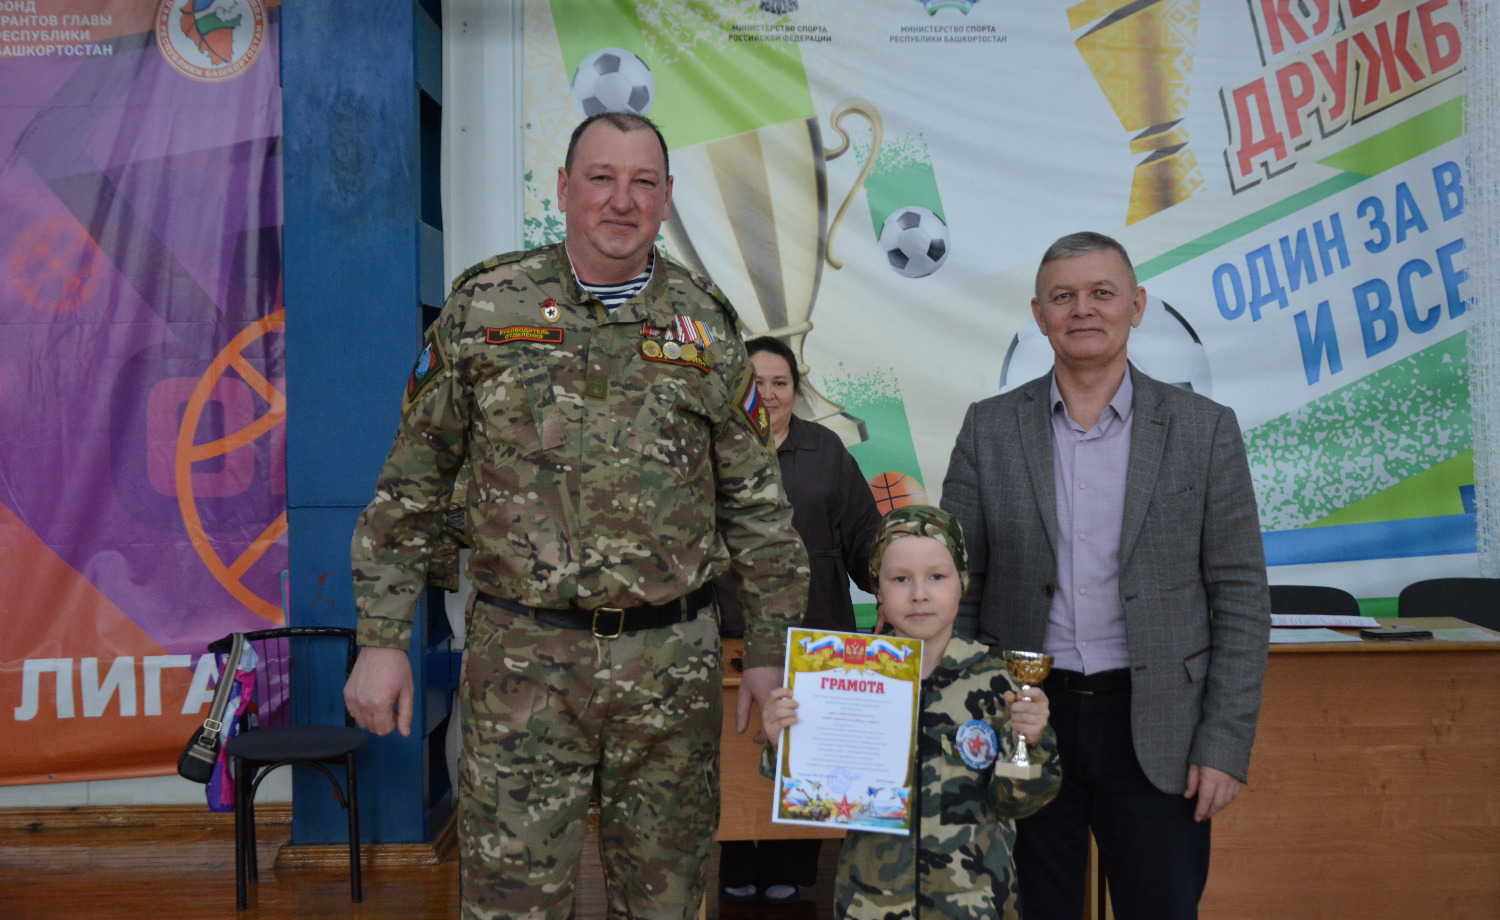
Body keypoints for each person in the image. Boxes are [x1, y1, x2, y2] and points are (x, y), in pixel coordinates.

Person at [342, 111, 810, 920]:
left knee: (666, 905)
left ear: (666, 197)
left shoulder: (705, 325)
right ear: (563, 189)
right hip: (522, 666)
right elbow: (411, 486)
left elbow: (758, 508)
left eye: (643, 182)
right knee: (511, 906)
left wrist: (769, 652)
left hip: (671, 670)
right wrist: (382, 639)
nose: (621, 200)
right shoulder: (487, 307)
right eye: (601, 178)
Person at [940, 231, 1270, 920]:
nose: (1082, 309)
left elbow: (1242, 598)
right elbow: (957, 589)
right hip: (1023, 719)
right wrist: (966, 719)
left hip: (1160, 728)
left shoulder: (1204, 429)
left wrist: (1224, 744)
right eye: (1063, 296)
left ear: (1137, 305)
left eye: (1101, 293)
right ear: (1039, 315)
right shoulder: (988, 429)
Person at [762, 504, 1061, 919]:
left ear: (963, 583)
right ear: (878, 591)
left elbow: (1017, 803)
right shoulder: (844, 679)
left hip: (974, 905)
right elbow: (819, 795)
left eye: (936, 577)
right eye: (900, 579)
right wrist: (784, 742)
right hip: (871, 903)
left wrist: (1029, 741)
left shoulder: (998, 683)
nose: (919, 593)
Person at [714, 335, 883, 906]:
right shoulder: (712, 446)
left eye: (779, 383)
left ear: (795, 389)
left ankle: (794, 863)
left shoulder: (826, 449)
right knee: (740, 749)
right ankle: (737, 858)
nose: (768, 394)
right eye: (755, 383)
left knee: (809, 754)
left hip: (819, 635)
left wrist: (891, 589)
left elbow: (864, 535)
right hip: (733, 635)